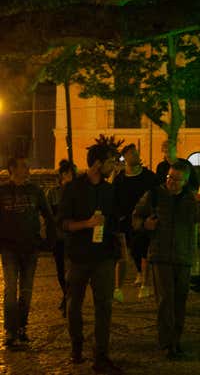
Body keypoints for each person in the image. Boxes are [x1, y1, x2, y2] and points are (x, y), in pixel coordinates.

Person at [133, 160, 200, 360]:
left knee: (180, 300)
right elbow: (136, 218)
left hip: (183, 255)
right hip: (160, 255)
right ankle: (167, 343)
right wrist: (145, 224)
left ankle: (176, 340)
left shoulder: (191, 198)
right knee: (165, 300)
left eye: (177, 179)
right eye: (169, 177)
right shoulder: (155, 195)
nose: (171, 182)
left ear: (186, 181)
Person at [58, 140, 123, 374]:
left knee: (104, 305)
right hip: (78, 257)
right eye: (110, 162)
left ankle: (101, 356)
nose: (113, 166)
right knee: (74, 304)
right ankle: (76, 347)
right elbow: (63, 224)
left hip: (104, 256)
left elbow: (114, 219)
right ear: (97, 164)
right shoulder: (72, 188)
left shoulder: (109, 189)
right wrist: (87, 223)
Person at [0, 156, 56, 349]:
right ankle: (10, 331)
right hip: (8, 248)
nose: (28, 170)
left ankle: (22, 327)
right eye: (23, 166)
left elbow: (48, 216)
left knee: (26, 291)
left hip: (30, 248)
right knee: (10, 291)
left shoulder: (36, 191)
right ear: (12, 169)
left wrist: (49, 241)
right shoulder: (2, 191)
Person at [112, 144, 158, 301]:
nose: (136, 155)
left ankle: (146, 285)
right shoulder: (120, 179)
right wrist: (119, 217)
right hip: (125, 222)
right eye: (132, 153)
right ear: (126, 158)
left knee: (144, 251)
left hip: (144, 221)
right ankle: (120, 287)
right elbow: (114, 200)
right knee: (129, 252)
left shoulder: (149, 177)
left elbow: (156, 195)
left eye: (136, 153)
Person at [46, 159, 77, 317]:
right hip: (59, 237)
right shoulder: (53, 193)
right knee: (60, 270)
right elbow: (49, 215)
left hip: (74, 237)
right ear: (63, 175)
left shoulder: (78, 192)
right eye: (71, 173)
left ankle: (69, 298)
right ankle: (66, 294)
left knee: (72, 270)